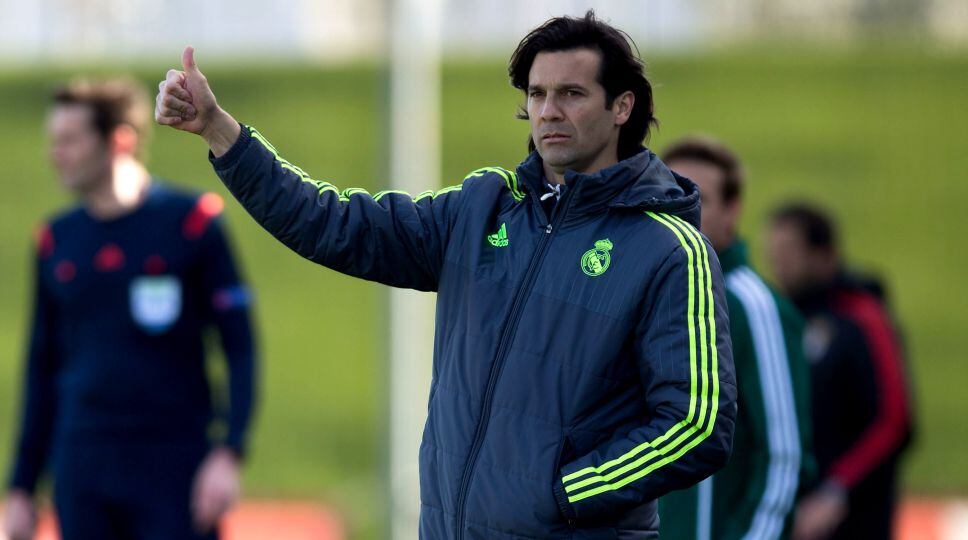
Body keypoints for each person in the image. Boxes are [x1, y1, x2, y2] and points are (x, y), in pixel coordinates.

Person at [156, 11, 736, 539]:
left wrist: (564, 493)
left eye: (572, 93)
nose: (549, 111)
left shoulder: (669, 248)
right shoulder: (481, 210)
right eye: (537, 94)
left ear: (622, 107)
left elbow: (697, 423)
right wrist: (220, 134)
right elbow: (332, 224)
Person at [2, 78, 256, 540]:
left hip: (173, 464)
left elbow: (240, 347)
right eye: (53, 141)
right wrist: (21, 486)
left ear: (120, 140)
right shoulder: (55, 240)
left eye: (70, 140)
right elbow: (41, 367)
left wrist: (229, 452)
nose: (55, 153)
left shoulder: (193, 222)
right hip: (83, 465)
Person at [656, 137, 815, 540]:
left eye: (699, 198)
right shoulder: (642, 297)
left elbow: (783, 458)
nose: (679, 207)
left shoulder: (752, 307)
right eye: (667, 192)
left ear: (732, 212)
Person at [766, 203, 912, 540]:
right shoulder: (782, 316)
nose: (778, 263)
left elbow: (893, 420)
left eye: (789, 252)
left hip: (854, 515)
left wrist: (837, 489)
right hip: (796, 512)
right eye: (773, 251)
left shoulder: (863, 316)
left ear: (823, 256)